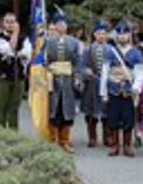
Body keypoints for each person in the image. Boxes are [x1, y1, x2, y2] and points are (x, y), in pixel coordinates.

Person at [40, 10, 82, 153]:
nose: (62, 26)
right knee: (53, 110)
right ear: (54, 26)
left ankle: (64, 140)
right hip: (53, 80)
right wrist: (45, 74)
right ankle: (52, 140)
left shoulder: (74, 42)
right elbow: (42, 61)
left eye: (64, 24)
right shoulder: (47, 41)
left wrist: (77, 77)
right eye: (59, 24)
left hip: (68, 79)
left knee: (67, 110)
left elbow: (77, 61)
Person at [101, 22, 143, 157]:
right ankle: (115, 145)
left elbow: (140, 72)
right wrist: (103, 92)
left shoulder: (136, 52)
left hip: (128, 88)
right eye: (120, 34)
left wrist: (136, 87)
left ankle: (127, 145)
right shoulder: (110, 51)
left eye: (125, 34)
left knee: (128, 118)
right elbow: (105, 71)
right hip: (113, 87)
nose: (122, 37)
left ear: (129, 36)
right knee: (113, 117)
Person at [78, 23, 113, 148]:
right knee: (90, 112)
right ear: (94, 35)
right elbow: (81, 66)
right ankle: (92, 137)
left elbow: (115, 65)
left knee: (107, 112)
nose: (101, 36)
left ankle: (107, 137)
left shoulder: (111, 49)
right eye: (99, 33)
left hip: (107, 84)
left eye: (104, 33)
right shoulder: (88, 49)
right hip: (91, 84)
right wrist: (85, 71)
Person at [0, 13, 25, 129]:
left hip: (18, 76)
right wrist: (15, 34)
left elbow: (27, 53)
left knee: (14, 108)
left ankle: (13, 134)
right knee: (2, 107)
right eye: (7, 21)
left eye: (13, 22)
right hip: (3, 77)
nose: (10, 24)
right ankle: (0, 134)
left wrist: (18, 53)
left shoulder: (24, 38)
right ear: (3, 23)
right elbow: (9, 49)